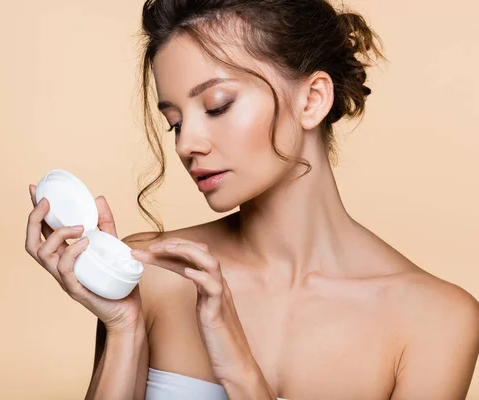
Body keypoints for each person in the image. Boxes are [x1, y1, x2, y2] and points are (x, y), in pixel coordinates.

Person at [25, 0, 479, 399]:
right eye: (175, 122)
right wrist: (124, 327)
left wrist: (240, 369)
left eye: (218, 105)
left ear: (312, 100)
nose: (187, 145)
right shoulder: (154, 276)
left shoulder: (436, 322)